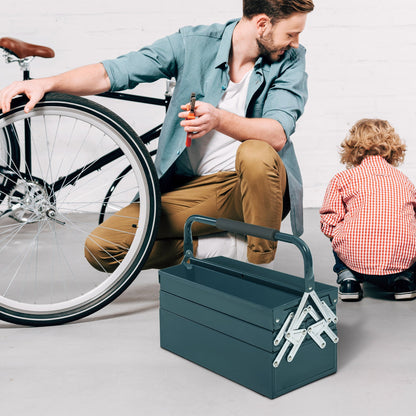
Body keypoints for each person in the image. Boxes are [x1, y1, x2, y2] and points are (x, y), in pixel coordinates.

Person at [0, 0, 314, 271]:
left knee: (256, 152)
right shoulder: (193, 43)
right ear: (262, 24)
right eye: (291, 33)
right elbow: (115, 71)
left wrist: (218, 118)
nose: (296, 42)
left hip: (254, 188)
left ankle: (259, 272)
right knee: (102, 246)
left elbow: (276, 134)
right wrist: (48, 83)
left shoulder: (290, 61)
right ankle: (224, 248)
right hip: (196, 192)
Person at [320, 119, 416, 301]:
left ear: (352, 147)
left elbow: (328, 224)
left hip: (354, 258)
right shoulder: (405, 180)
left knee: (337, 228)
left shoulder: (342, 179)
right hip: (402, 259)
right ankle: (404, 280)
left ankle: (348, 278)